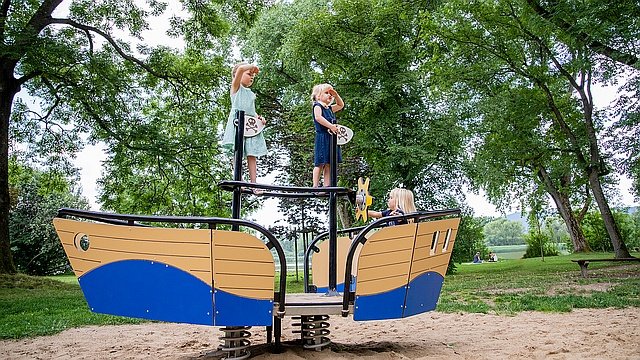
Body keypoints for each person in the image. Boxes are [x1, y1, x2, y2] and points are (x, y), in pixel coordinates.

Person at [221, 63, 267, 190]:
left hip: (250, 125)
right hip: (238, 124)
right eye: (249, 74)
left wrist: (259, 118)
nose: (252, 76)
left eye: (253, 75)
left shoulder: (251, 93)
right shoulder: (236, 88)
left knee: (251, 154)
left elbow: (251, 111)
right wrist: (252, 66)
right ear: (238, 76)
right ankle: (238, 178)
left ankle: (254, 183)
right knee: (238, 151)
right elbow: (240, 69)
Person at [311, 84, 344, 187]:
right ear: (318, 96)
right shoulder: (317, 106)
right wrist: (331, 126)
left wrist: (336, 95)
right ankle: (315, 186)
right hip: (323, 137)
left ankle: (326, 186)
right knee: (320, 162)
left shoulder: (329, 108)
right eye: (326, 93)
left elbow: (340, 105)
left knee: (329, 163)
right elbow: (318, 118)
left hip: (331, 138)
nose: (329, 95)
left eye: (331, 94)